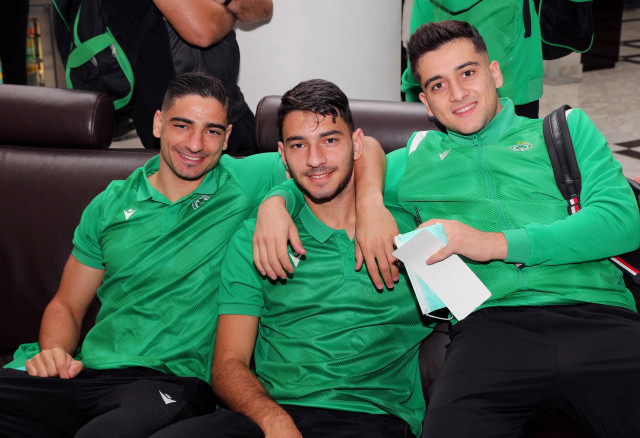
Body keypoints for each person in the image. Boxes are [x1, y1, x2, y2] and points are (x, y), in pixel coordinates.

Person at [0, 72, 386, 437]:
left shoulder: (245, 179)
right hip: (84, 373)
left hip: (169, 382)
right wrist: (54, 352)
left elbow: (360, 147)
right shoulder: (110, 202)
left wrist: (283, 201)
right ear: (158, 124)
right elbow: (67, 305)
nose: (196, 144)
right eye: (182, 125)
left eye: (212, 131)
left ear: (227, 137)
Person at [393, 20, 640, 437]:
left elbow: (621, 221)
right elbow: (319, 168)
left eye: (467, 73)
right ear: (426, 102)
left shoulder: (564, 130)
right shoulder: (414, 159)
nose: (457, 94)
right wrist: (283, 201)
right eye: (438, 85)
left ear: (494, 73)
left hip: (599, 315)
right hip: (491, 332)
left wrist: (494, 244)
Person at [150, 79, 434, 438]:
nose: (315, 160)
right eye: (299, 145)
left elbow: (476, 323)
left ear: (357, 144)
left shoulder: (412, 235)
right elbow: (227, 365)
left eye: (330, 140)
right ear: (283, 156)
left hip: (371, 420)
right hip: (269, 417)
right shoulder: (256, 237)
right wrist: (275, 421)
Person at [401, 0, 543, 119]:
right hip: (517, 86)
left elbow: (419, 47)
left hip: (445, 95)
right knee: (520, 142)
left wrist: (413, 92)